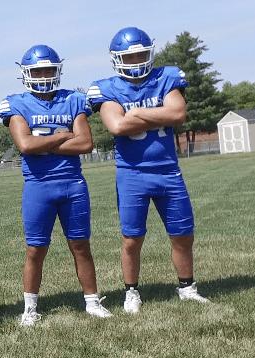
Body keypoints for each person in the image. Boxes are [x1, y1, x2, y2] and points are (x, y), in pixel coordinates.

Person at [87, 27, 209, 312]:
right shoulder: (106, 88)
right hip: (132, 173)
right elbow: (116, 125)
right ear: (118, 59)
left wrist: (137, 113)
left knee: (183, 234)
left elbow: (177, 114)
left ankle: (187, 288)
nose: (137, 60)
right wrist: (157, 115)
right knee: (132, 238)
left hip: (168, 170)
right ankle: (131, 292)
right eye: (130, 57)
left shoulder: (167, 77)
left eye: (141, 54)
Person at [0, 45, 113, 325]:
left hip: (73, 184)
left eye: (48, 69)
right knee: (35, 249)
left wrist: (44, 144)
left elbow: (85, 142)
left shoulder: (74, 99)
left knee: (81, 245)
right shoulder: (16, 104)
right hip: (38, 185)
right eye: (38, 71)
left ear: (57, 70)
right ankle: (30, 308)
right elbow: (25, 145)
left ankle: (92, 302)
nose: (43, 75)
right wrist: (64, 137)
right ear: (27, 74)